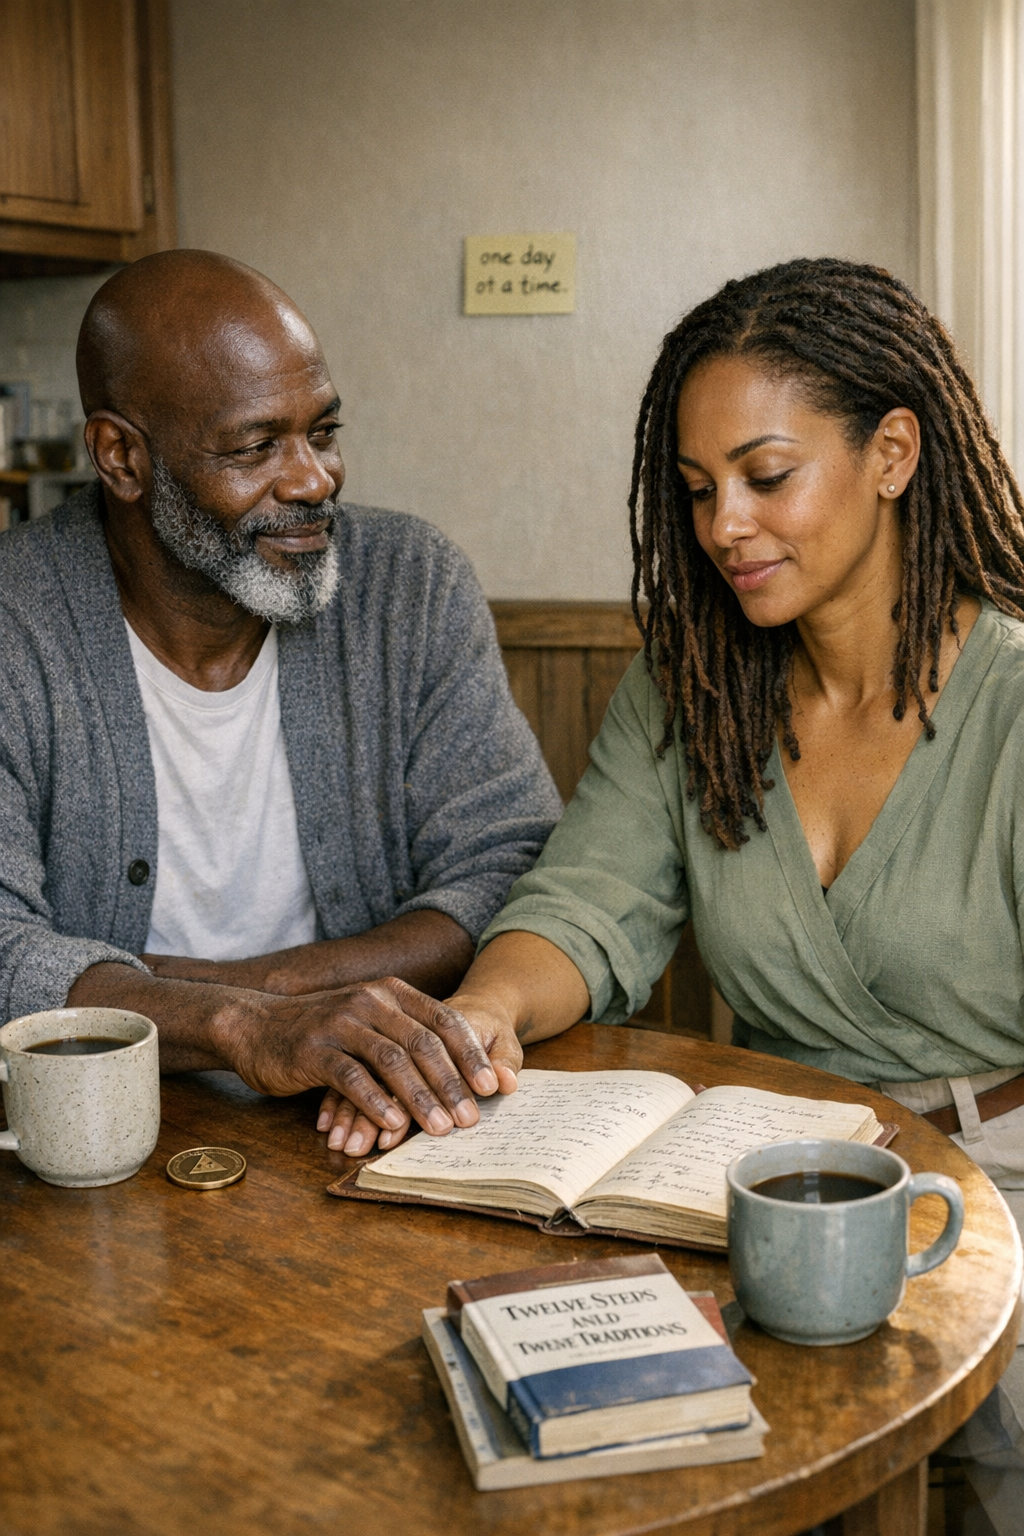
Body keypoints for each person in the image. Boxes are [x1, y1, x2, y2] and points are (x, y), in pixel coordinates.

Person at [351, 257, 1022, 1533]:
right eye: (700, 490)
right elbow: (585, 902)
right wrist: (489, 1009)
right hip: (757, 1186)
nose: (723, 527)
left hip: (995, 1181)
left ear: (892, 453)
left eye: (767, 478)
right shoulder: (690, 693)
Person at [0, 249, 561, 1159]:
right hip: (90, 1142)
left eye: (324, 432)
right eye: (257, 446)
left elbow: (511, 866)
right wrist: (242, 1024)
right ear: (122, 457)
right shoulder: (15, 620)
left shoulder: (409, 585)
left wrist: (279, 990)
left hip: (365, 1123)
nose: (313, 480)